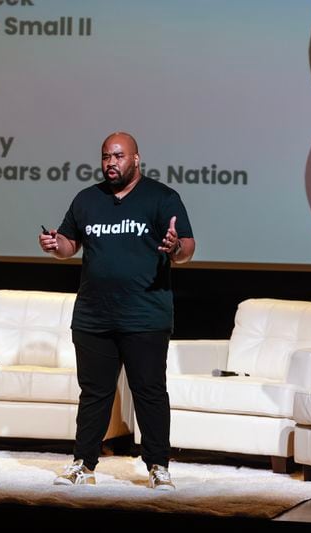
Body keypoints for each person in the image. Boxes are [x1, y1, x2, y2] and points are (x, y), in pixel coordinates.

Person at [39, 131, 195, 490]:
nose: (111, 163)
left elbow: (187, 247)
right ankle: (83, 463)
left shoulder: (162, 197)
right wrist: (54, 244)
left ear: (136, 159)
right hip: (94, 315)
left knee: (150, 391)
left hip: (145, 315)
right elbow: (69, 245)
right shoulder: (87, 199)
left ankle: (158, 465)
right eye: (106, 156)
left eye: (119, 156)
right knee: (94, 393)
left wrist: (174, 247)